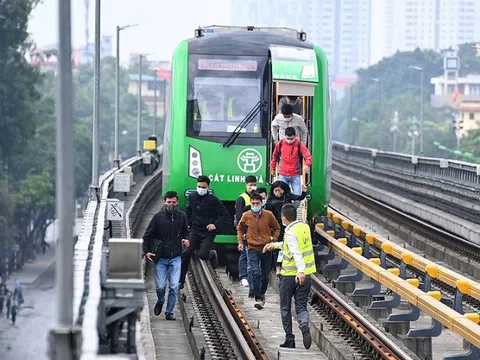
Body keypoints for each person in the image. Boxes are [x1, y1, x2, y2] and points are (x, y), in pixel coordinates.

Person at [263, 203, 316, 350]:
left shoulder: (290, 232)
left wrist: (299, 271)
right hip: (307, 275)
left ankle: (289, 339)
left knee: (285, 307)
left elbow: (296, 252)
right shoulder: (304, 227)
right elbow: (291, 245)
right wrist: (274, 245)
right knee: (301, 306)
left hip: (290, 276)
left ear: (284, 218)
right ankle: (304, 324)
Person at [143, 191, 190, 320]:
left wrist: (187, 239)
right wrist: (146, 251)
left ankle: (169, 312)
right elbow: (147, 235)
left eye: (174, 202)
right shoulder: (158, 217)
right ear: (164, 202)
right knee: (161, 287)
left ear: (177, 202)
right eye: (169, 202)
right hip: (161, 258)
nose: (171, 205)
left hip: (176, 257)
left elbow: (186, 232)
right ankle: (161, 300)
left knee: (174, 286)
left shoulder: (182, 216)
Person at [180, 175, 230, 288]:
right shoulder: (192, 197)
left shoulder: (214, 200)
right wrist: (188, 225)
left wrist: (215, 225)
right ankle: (181, 280)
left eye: (203, 187)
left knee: (202, 255)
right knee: (187, 253)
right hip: (195, 230)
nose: (201, 188)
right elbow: (189, 210)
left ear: (208, 187)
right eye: (199, 186)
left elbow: (225, 215)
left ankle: (212, 254)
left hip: (208, 232)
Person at [237, 193, 280, 310]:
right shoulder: (246, 215)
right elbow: (240, 228)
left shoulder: (268, 215)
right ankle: (258, 297)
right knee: (255, 271)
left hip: (266, 248)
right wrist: (241, 242)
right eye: (253, 203)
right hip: (252, 247)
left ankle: (262, 292)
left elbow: (277, 227)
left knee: (265, 275)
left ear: (262, 204)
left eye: (257, 203)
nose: (255, 205)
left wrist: (273, 239)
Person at [265, 181, 308, 273]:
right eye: (275, 190)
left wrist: (304, 192)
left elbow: (299, 197)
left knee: (284, 245)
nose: (277, 193)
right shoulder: (269, 199)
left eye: (279, 190)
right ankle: (277, 266)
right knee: (276, 245)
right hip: (274, 226)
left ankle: (282, 264)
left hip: (286, 225)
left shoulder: (287, 196)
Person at [270, 127, 312, 196]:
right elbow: (274, 156)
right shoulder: (280, 144)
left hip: (295, 175)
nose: (289, 140)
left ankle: (293, 207)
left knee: (297, 196)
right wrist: (272, 168)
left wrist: (307, 165)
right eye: (287, 138)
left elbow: (307, 155)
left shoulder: (299, 144)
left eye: (291, 139)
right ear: (284, 136)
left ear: (295, 137)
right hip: (283, 174)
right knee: (281, 195)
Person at [235, 176, 257, 288]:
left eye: (254, 184)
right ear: (246, 185)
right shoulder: (242, 198)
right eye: (250, 185)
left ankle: (251, 277)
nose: (252, 187)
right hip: (245, 231)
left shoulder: (256, 198)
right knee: (244, 254)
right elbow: (239, 217)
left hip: (254, 231)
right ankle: (243, 276)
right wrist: (241, 232)